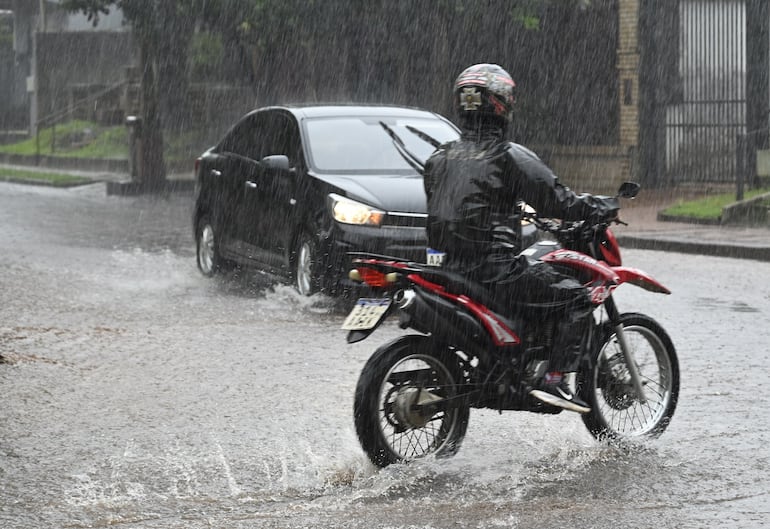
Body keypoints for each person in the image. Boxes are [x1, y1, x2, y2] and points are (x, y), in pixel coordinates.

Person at [423, 63, 618, 413]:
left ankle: (513, 363)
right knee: (575, 297)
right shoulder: (509, 155)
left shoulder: (439, 157)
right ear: (501, 103)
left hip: (448, 269)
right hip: (495, 272)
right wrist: (598, 206)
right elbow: (559, 200)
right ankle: (553, 380)